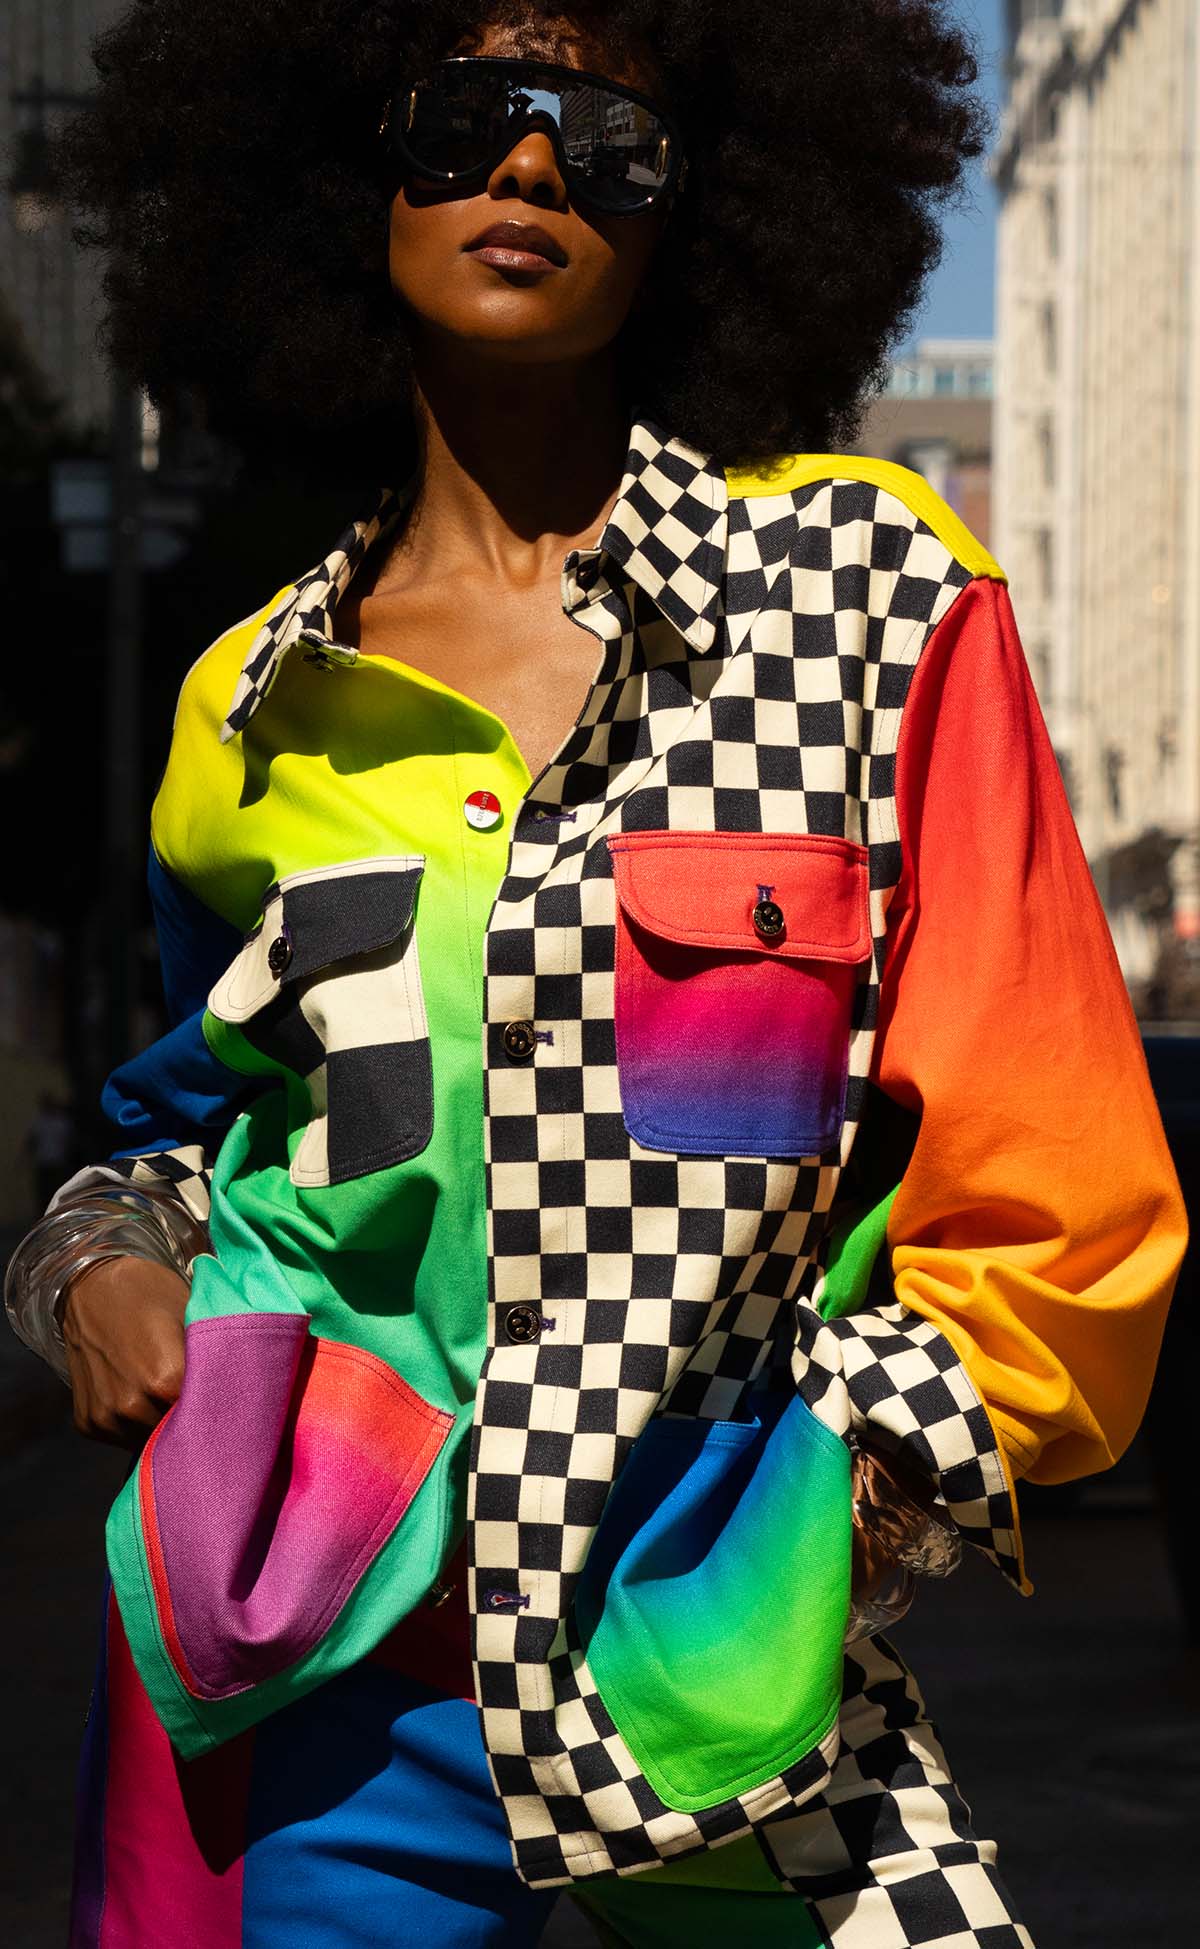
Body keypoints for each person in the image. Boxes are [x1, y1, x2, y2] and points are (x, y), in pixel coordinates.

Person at [4, 2, 1184, 1943]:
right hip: (294, 1672)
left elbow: (1061, 1193)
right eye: (466, 113)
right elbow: (209, 1133)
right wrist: (89, 1261)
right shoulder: (246, 710)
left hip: (716, 1677)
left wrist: (833, 1520)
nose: (533, 163)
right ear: (347, 169)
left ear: (698, 207)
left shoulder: (871, 599)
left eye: (609, 136)